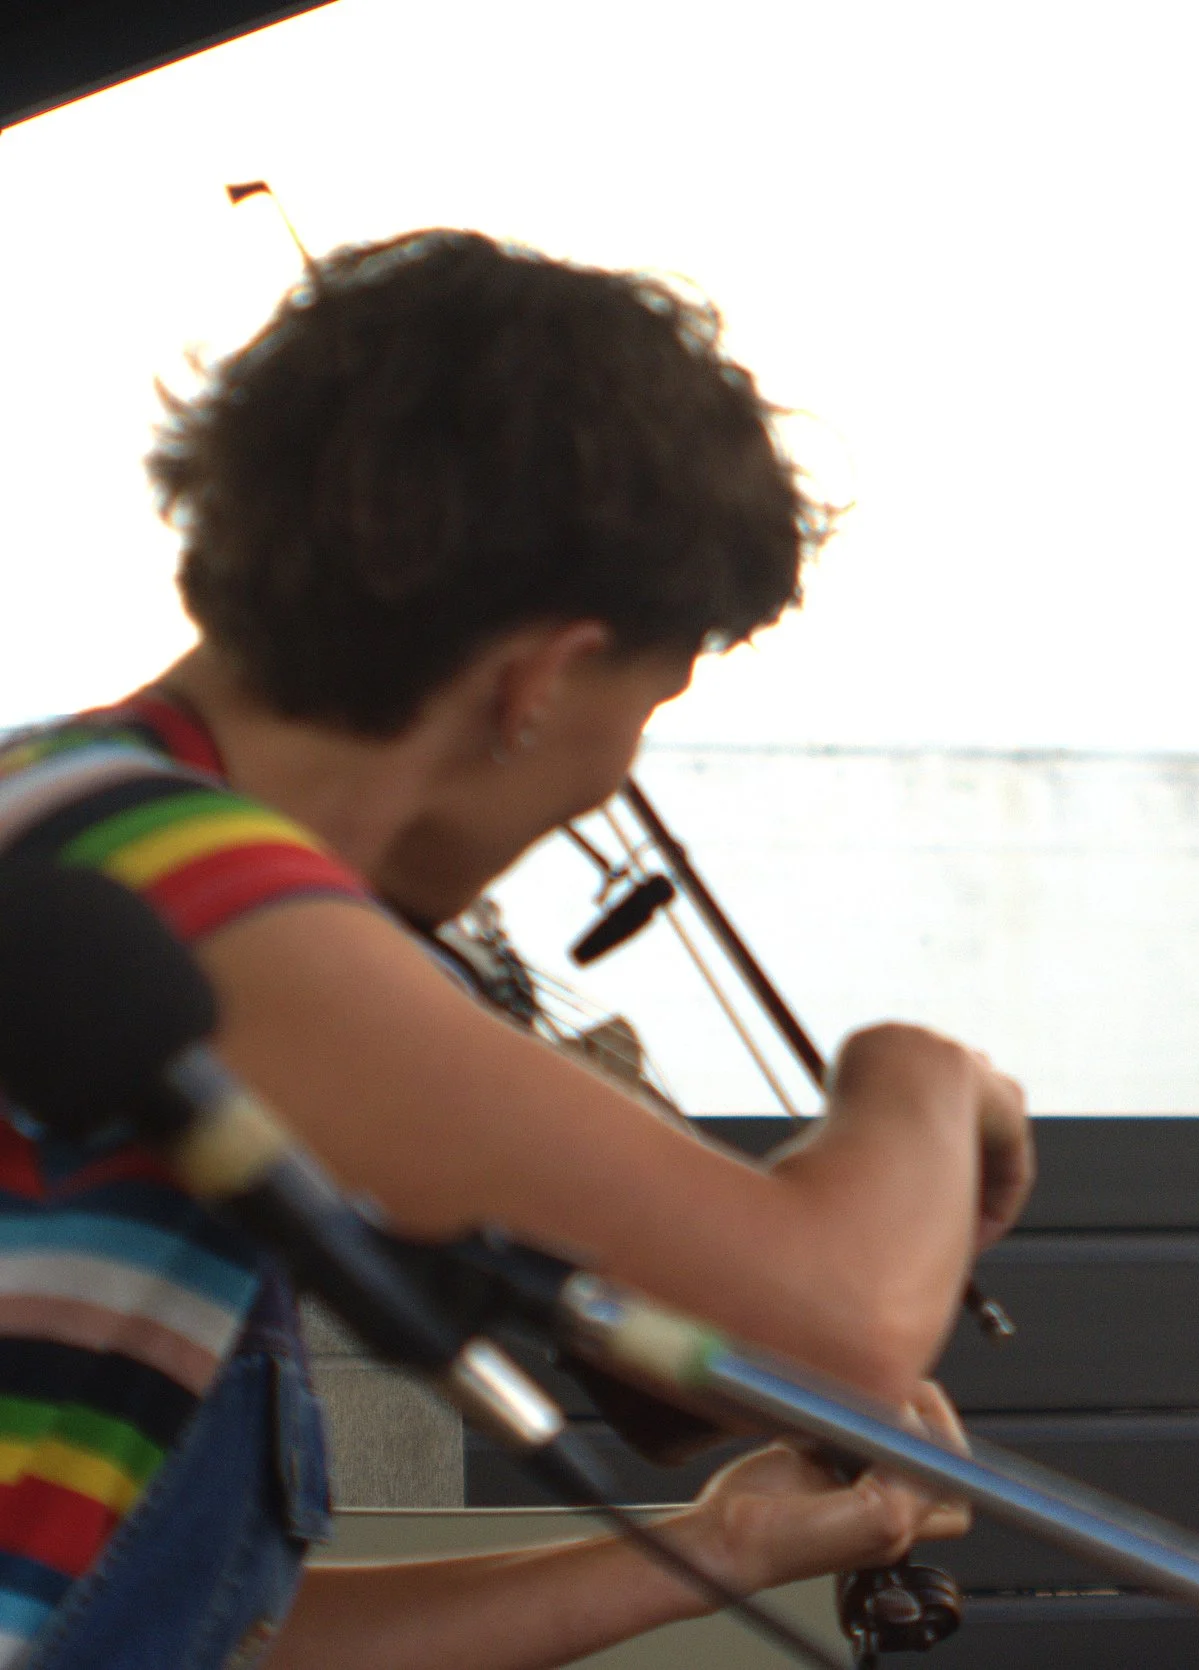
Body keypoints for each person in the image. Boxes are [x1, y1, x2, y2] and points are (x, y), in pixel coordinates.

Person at [0, 231, 1032, 1670]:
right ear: (538, 679)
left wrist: (717, 1550)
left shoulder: (71, 824)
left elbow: (209, 1643)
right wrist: (921, 1076)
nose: (611, 784)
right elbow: (843, 1324)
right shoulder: (150, 872)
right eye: (645, 707)